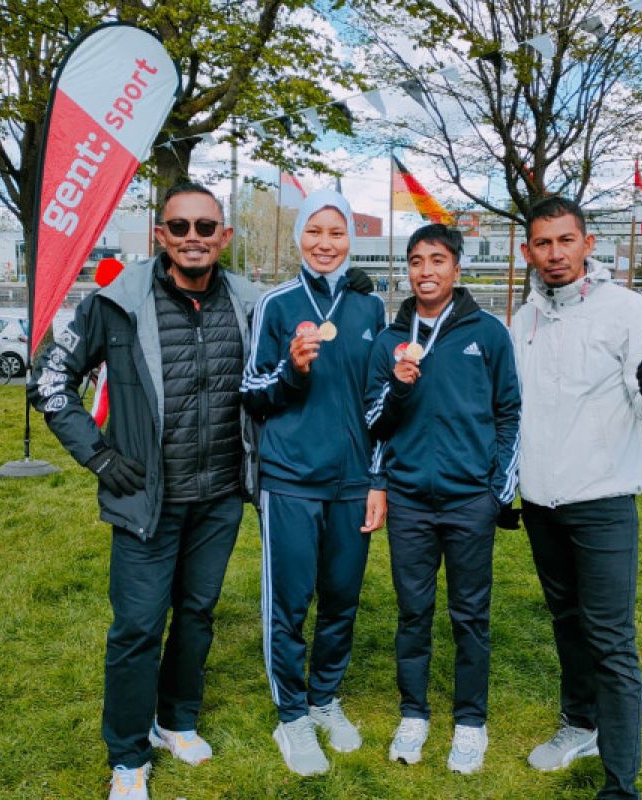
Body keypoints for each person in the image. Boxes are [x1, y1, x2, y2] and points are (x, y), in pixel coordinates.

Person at [28, 181, 260, 800]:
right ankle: (128, 755)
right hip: (144, 502)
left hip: (218, 498)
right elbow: (51, 381)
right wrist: (99, 455)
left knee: (197, 614)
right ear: (160, 234)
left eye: (205, 228)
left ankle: (176, 719)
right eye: (179, 227)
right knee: (136, 627)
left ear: (224, 237)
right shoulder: (115, 302)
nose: (193, 238)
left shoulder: (251, 303)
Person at [510, 197, 642, 799]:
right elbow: (518, 410)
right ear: (527, 251)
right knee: (566, 621)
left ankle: (620, 784)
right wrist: (510, 482)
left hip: (603, 501)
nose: (553, 254)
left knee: (610, 639)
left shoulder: (628, 310)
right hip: (540, 503)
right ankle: (579, 724)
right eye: (542, 243)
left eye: (564, 241)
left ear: (587, 244)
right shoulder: (523, 317)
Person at [364, 223, 521, 775]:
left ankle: (470, 721)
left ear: (457, 268)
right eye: (415, 261)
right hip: (409, 501)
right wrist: (399, 385)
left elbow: (510, 414)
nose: (425, 271)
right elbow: (374, 423)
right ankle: (414, 712)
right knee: (413, 612)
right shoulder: (390, 340)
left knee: (470, 614)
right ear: (406, 270)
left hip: (468, 501)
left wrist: (495, 491)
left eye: (436, 260)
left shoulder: (488, 333)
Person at [240, 189, 386, 776]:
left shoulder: (369, 309)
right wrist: (291, 371)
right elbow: (251, 392)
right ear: (299, 237)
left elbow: (380, 402)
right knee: (290, 601)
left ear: (351, 239)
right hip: (292, 479)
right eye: (315, 232)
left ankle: (325, 698)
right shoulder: (275, 305)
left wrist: (378, 477)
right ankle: (292, 714)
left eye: (337, 232)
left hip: (353, 482)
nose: (326, 243)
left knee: (343, 599)